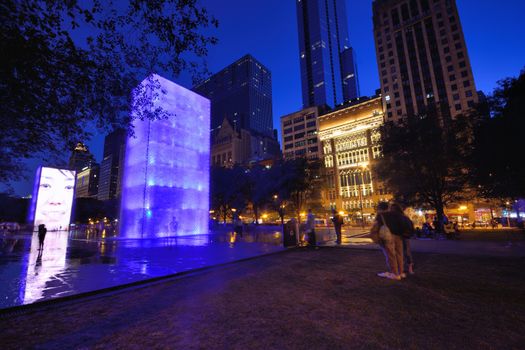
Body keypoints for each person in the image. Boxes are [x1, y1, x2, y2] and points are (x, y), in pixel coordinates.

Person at [370, 202, 405, 280]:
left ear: (379, 208)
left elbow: (375, 228)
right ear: (388, 207)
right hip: (399, 236)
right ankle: (401, 272)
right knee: (399, 254)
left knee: (391, 255)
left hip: (388, 237)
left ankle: (395, 274)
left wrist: (376, 239)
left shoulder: (380, 216)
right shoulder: (395, 214)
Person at [390, 203, 415, 276]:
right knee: (400, 253)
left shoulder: (403, 218)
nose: (391, 211)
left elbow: (410, 227)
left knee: (406, 252)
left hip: (402, 237)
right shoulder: (395, 218)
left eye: (392, 209)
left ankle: (409, 267)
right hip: (398, 237)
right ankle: (402, 268)